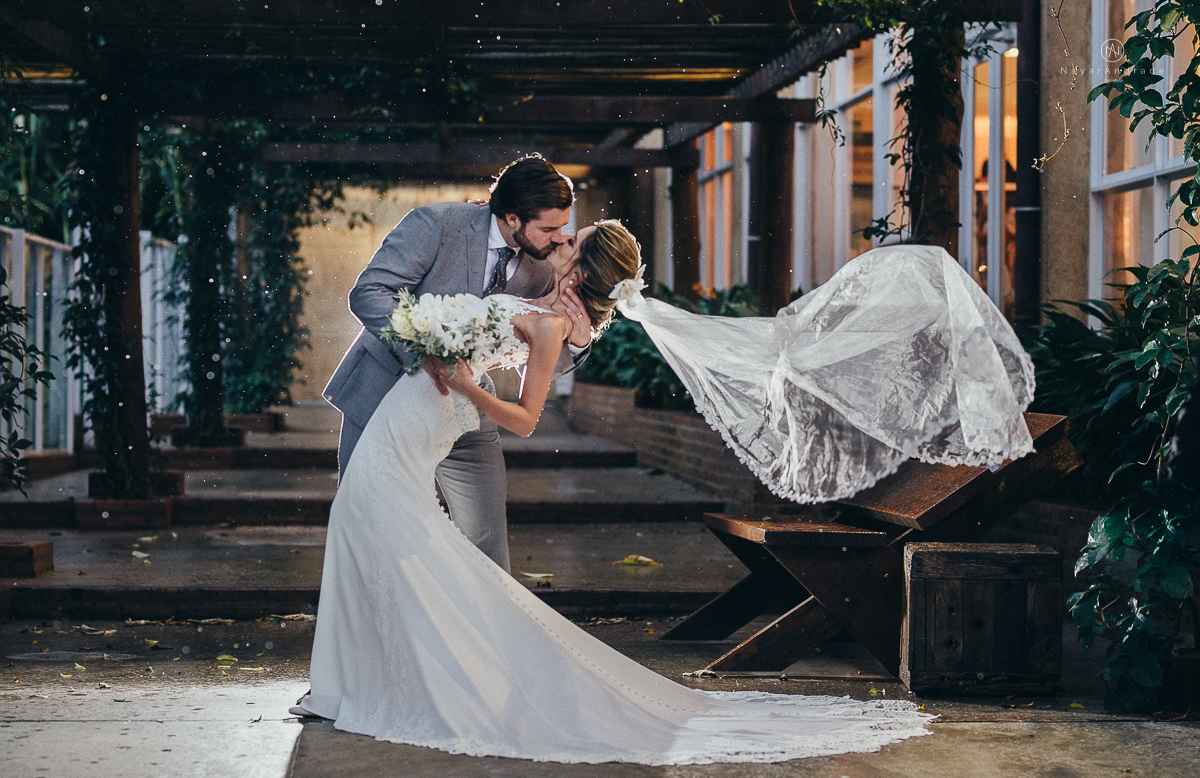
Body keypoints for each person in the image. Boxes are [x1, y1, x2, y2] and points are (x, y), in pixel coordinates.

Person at [294, 220, 1050, 763]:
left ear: (577, 270)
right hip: (421, 415)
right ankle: (365, 676)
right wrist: (449, 340)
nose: (554, 245)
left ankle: (377, 679)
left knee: (382, 530)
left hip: (436, 411)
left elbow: (522, 417)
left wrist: (461, 377)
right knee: (381, 534)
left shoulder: (558, 320)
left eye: (565, 242)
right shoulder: (563, 312)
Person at [321, 154, 593, 572]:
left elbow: (528, 357)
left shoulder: (543, 268)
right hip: (385, 395)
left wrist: (576, 344)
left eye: (564, 227)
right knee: (365, 524)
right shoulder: (437, 225)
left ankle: (486, 633)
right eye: (549, 228)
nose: (559, 238)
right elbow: (371, 293)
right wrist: (427, 351)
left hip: (469, 407)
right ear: (512, 218)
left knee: (486, 538)